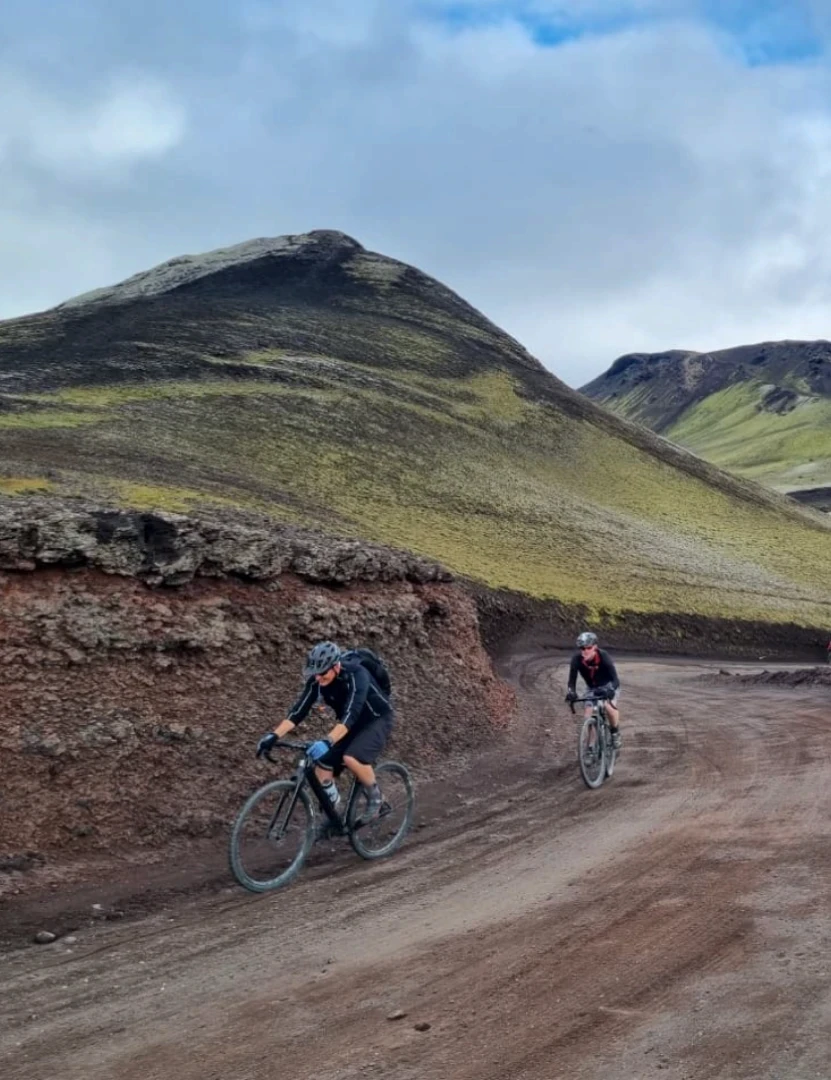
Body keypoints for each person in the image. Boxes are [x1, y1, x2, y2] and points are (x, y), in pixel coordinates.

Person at [256, 640, 394, 826]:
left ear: (336, 666)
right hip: (350, 725)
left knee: (351, 757)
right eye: (315, 674)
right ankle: (334, 814)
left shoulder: (356, 674)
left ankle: (378, 800)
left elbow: (351, 714)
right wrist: (273, 736)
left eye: (322, 673)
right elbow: (297, 712)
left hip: (376, 719)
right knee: (322, 765)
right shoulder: (317, 682)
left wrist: (328, 741)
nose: (318, 678)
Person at [565, 631, 622, 749]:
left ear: (595, 647)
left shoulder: (603, 656)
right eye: (582, 648)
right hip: (592, 688)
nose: (585, 651)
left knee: (609, 708)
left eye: (588, 648)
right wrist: (571, 692)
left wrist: (610, 689)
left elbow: (615, 680)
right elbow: (571, 681)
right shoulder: (576, 659)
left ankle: (615, 733)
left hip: (608, 685)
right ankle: (591, 746)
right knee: (588, 715)